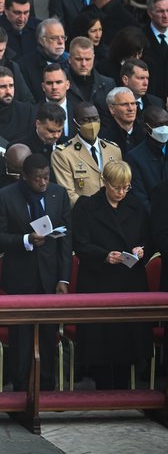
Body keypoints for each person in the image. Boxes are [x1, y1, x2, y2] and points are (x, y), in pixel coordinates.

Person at [0, 153, 72, 391]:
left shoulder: (59, 194)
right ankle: (21, 385)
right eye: (38, 178)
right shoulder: (5, 197)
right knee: (22, 335)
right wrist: (25, 239)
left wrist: (63, 278)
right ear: (25, 177)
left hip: (50, 275)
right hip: (20, 275)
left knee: (48, 332)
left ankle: (46, 384)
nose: (43, 182)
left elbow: (67, 240)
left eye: (46, 177)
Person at [72, 160, 153, 389]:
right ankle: (103, 386)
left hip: (130, 280)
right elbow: (80, 243)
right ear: (104, 182)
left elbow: (148, 237)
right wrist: (104, 255)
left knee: (127, 339)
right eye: (117, 187)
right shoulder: (87, 207)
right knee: (103, 340)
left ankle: (125, 385)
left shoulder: (136, 206)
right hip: (100, 281)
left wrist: (141, 249)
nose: (121, 192)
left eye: (126, 187)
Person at [51, 101, 123, 206]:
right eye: (85, 120)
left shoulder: (113, 149)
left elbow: (121, 184)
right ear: (75, 123)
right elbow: (69, 194)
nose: (92, 124)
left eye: (95, 119)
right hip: (85, 214)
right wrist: (95, 210)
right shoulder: (63, 154)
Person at [125, 106, 168, 211]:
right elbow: (140, 197)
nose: (164, 128)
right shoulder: (134, 157)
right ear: (146, 127)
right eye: (158, 125)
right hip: (153, 221)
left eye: (166, 123)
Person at [17, 18, 69, 103]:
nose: (60, 42)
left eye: (63, 37)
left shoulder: (71, 61)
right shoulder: (24, 65)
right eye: (54, 38)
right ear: (42, 40)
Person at [66, 36, 115, 109]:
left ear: (93, 58)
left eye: (88, 59)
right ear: (69, 59)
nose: (83, 64)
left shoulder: (108, 84)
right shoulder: (59, 82)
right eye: (79, 59)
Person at [101, 87, 143, 156]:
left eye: (133, 103)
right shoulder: (104, 139)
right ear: (112, 109)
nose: (131, 108)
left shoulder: (145, 134)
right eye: (124, 104)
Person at [40, 63, 75, 142]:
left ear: (67, 85)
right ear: (43, 87)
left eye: (58, 82)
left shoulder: (78, 111)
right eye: (49, 83)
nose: (54, 87)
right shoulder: (31, 113)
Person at [143, 0, 168, 101]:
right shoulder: (141, 37)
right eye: (160, 11)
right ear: (150, 13)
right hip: (151, 99)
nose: (166, 15)